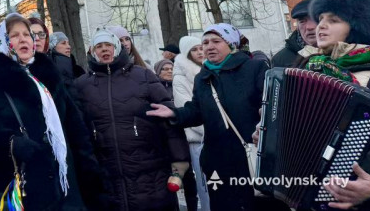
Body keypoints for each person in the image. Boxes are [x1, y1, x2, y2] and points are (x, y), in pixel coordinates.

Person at [0, 14, 107, 210]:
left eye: (27, 35)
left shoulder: (49, 76)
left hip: (68, 185)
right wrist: (10, 143)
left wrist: (90, 171)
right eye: (14, 35)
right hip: (25, 189)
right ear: (1, 41)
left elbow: (75, 128)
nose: (23, 39)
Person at [147, 23, 270, 211]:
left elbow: (269, 108)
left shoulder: (254, 68)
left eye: (216, 41)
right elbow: (197, 110)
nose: (209, 46)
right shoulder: (203, 76)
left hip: (250, 157)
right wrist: (174, 113)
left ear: (231, 43)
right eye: (205, 42)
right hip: (217, 160)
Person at [74, 29, 189, 211]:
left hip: (151, 176)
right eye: (99, 46)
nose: (104, 50)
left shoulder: (143, 76)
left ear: (117, 48)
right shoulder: (81, 85)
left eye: (108, 45)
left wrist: (179, 164)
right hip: (108, 177)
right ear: (92, 51)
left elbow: (169, 121)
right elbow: (78, 132)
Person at [299, 0, 370, 209]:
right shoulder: (311, 67)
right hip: (308, 192)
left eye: (333, 20)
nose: (320, 25)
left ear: (357, 27)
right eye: (320, 18)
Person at [173, 36, 210, 211]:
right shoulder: (180, 78)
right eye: (194, 50)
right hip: (199, 139)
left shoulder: (209, 70)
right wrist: (213, 130)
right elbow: (188, 110)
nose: (200, 52)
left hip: (219, 138)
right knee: (206, 186)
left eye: (200, 47)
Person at [271, 0, 318, 68]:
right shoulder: (280, 60)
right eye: (302, 21)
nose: (309, 27)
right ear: (298, 27)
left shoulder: (338, 54)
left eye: (315, 19)